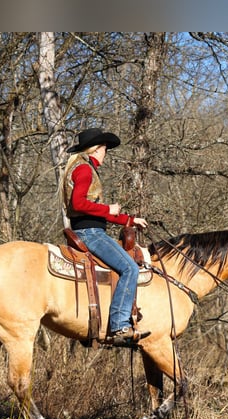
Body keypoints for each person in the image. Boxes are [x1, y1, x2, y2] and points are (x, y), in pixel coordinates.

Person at [58, 127, 150, 347]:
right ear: (97, 149)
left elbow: (94, 211)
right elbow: (79, 204)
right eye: (105, 149)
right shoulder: (85, 170)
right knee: (130, 268)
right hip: (90, 233)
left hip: (89, 229)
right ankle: (119, 325)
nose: (106, 154)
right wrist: (109, 208)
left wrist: (129, 220)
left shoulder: (80, 167)